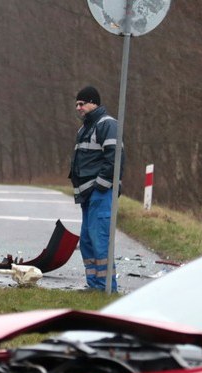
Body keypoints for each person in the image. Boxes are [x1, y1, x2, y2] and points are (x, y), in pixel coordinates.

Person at [69, 86, 122, 292]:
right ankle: (94, 286)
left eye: (82, 103)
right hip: (88, 195)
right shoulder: (84, 129)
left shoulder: (107, 125)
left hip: (101, 193)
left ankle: (107, 288)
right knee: (88, 242)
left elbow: (115, 158)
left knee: (100, 241)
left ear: (94, 103)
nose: (78, 108)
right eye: (76, 104)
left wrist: (100, 185)